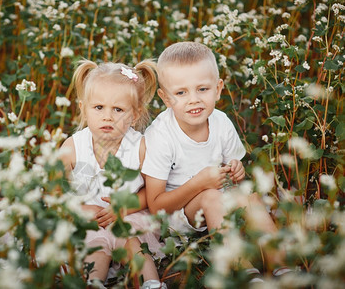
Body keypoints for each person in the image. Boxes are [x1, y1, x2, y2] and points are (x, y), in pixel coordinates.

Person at [141, 41, 291, 280]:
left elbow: (233, 174)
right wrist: (200, 184)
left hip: (216, 201)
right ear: (166, 98)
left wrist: (236, 171)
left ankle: (282, 264)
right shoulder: (161, 135)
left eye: (203, 89)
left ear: (218, 88)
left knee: (249, 196)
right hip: (177, 218)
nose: (194, 100)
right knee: (210, 196)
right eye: (181, 93)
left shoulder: (221, 122)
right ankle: (239, 268)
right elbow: (156, 205)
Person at [59, 59, 166, 289]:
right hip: (90, 222)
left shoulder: (140, 147)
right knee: (95, 248)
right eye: (99, 108)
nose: (108, 116)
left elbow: (153, 192)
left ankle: (151, 283)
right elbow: (54, 193)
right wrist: (79, 210)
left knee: (133, 244)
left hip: (128, 217)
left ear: (135, 115)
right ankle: (94, 282)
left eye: (118, 109)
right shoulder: (72, 147)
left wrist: (124, 207)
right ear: (83, 109)